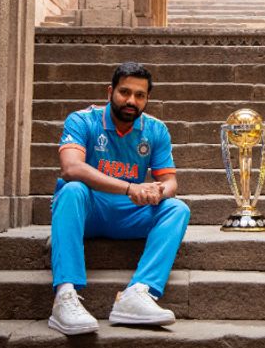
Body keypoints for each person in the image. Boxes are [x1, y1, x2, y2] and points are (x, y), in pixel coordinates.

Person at [48, 62, 190, 335]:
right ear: (110, 91)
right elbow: (71, 168)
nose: (131, 101)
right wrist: (129, 188)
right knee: (71, 188)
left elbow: (170, 181)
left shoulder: (156, 129)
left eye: (140, 95)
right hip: (88, 209)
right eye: (125, 92)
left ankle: (137, 293)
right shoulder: (82, 120)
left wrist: (156, 191)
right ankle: (65, 295)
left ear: (147, 99)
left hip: (128, 211)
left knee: (176, 208)